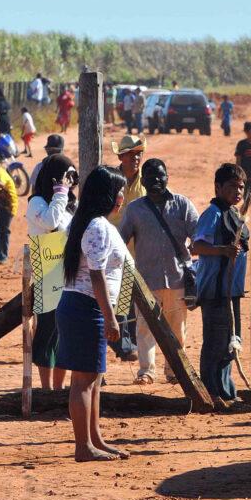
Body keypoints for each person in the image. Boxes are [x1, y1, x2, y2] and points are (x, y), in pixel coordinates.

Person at [56, 165, 131, 462]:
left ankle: (94, 438)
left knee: (93, 378)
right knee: (84, 380)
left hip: (86, 306)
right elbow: (97, 276)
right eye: (119, 191)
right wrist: (110, 316)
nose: (122, 196)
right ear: (108, 194)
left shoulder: (93, 223)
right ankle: (83, 446)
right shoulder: (97, 226)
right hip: (86, 308)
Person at [119, 158, 199, 385]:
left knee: (177, 329)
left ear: (167, 177)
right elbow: (120, 241)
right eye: (150, 176)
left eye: (160, 175)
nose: (156, 180)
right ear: (143, 181)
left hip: (177, 279)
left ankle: (175, 371)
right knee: (145, 329)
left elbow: (199, 235)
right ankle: (146, 372)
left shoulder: (183, 205)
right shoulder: (134, 210)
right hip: (146, 281)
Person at [192, 163, 250, 403]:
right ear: (218, 187)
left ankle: (226, 391)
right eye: (233, 187)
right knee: (216, 342)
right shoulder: (212, 214)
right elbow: (197, 246)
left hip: (232, 291)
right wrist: (222, 250)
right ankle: (211, 393)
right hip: (215, 291)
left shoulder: (235, 214)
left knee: (231, 342)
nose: (238, 192)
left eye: (242, 187)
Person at [27, 154, 78, 391]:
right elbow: (50, 222)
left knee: (66, 335)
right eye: (65, 175)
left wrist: (65, 195)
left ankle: (58, 390)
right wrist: (60, 192)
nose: (69, 181)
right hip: (47, 276)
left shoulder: (70, 205)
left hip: (69, 277)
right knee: (47, 333)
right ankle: (46, 390)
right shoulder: (36, 202)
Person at [108, 135, 148, 362]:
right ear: (121, 157)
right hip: (115, 249)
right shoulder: (112, 181)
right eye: (131, 154)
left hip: (141, 251)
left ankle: (130, 342)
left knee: (136, 299)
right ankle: (123, 345)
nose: (136, 158)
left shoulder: (147, 182)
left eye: (138, 154)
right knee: (119, 298)